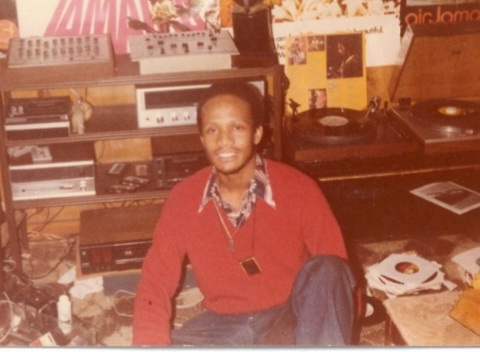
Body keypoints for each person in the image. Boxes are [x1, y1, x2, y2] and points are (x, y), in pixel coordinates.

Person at [132, 81, 357, 346]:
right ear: (202, 139)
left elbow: (336, 278)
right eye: (213, 130)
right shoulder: (183, 198)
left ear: (257, 133)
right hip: (221, 326)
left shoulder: (300, 189)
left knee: (329, 267)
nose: (224, 140)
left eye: (237, 128)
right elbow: (155, 281)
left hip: (289, 319)